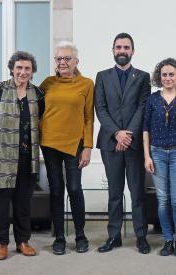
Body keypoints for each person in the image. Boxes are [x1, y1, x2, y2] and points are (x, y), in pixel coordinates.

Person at [0, 51, 44, 260]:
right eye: (19, 68)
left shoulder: (38, 94)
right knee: (0, 200)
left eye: (27, 68)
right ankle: (1, 243)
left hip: (27, 154)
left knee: (23, 201)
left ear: (32, 71)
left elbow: (41, 121)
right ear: (12, 69)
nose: (23, 72)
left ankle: (23, 241)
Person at [95, 33, 151, 254]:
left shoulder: (143, 76)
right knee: (115, 193)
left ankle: (141, 237)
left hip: (134, 144)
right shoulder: (102, 76)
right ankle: (113, 236)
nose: (122, 50)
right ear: (112, 50)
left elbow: (142, 107)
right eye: (118, 47)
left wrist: (127, 136)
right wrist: (117, 133)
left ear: (132, 51)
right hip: (111, 144)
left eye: (126, 47)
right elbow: (101, 108)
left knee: (137, 193)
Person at [39, 41, 94, 255]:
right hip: (49, 143)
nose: (62, 62)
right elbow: (30, 101)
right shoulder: (47, 83)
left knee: (74, 189)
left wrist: (88, 146)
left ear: (76, 61)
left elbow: (89, 117)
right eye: (58, 59)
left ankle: (80, 234)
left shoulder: (87, 84)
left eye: (66, 58)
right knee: (56, 190)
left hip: (75, 144)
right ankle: (59, 237)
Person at [143, 58, 176, 256]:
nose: (168, 78)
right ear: (159, 76)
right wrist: (147, 156)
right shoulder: (153, 99)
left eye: (171, 74)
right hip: (156, 153)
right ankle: (168, 240)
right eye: (164, 74)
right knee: (163, 199)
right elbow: (145, 129)